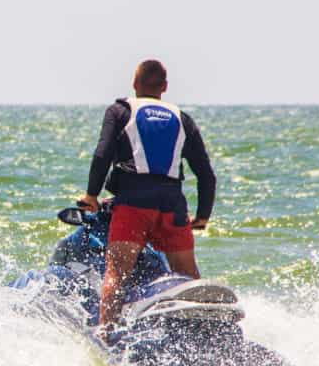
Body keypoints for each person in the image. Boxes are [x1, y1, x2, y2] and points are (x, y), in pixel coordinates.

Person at [78, 59, 217, 334]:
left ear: (134, 83)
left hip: (133, 203)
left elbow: (102, 154)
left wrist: (91, 195)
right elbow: (206, 174)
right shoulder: (182, 118)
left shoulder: (120, 111)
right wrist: (202, 216)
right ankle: (205, 334)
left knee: (117, 273)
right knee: (188, 277)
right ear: (164, 87)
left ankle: (107, 334)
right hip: (173, 206)